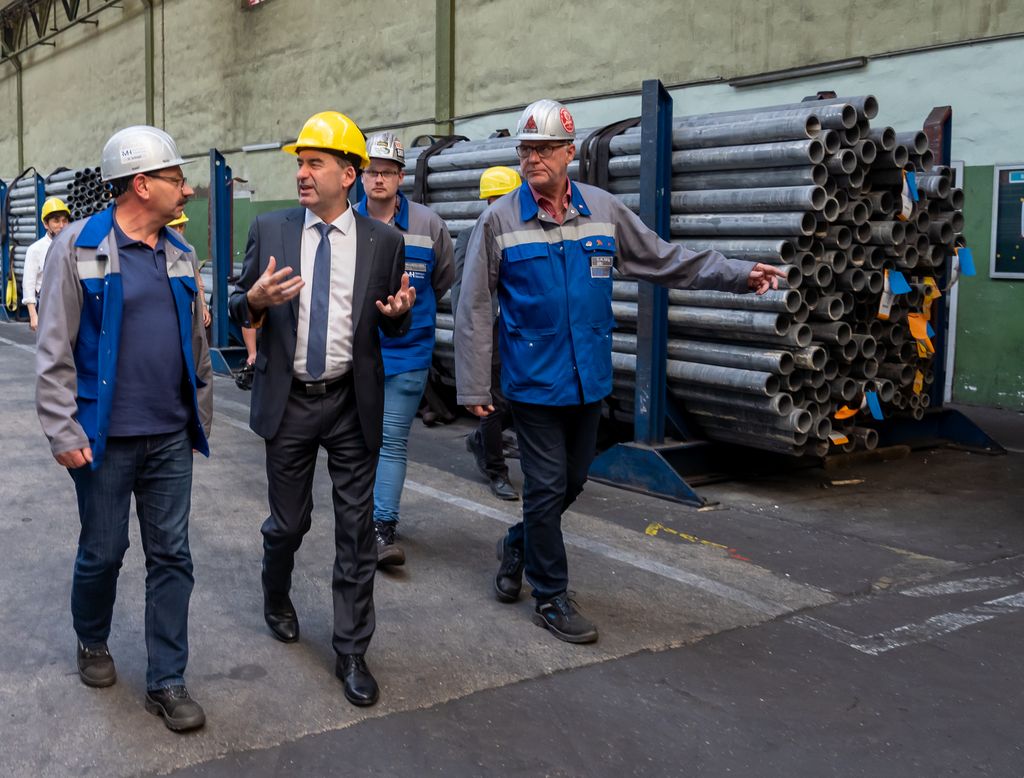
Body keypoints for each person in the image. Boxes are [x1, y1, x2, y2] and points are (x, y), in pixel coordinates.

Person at [455, 99, 784, 645]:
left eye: (543, 149)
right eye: (525, 149)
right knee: (545, 487)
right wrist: (472, 384)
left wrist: (738, 273)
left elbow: (665, 259)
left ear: (569, 152)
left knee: (572, 482)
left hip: (588, 377)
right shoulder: (500, 220)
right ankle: (550, 596)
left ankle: (517, 545)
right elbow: (473, 306)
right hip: (533, 381)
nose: (532, 158)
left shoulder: (604, 211)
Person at [228, 111, 415, 708]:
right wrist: (254, 301)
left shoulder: (384, 243)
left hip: (350, 403)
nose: (302, 174)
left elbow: (391, 319)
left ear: (348, 174)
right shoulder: (271, 229)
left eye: (315, 163)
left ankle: (352, 650)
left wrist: (400, 314)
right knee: (289, 523)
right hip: (290, 402)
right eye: (300, 163)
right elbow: (238, 305)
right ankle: (275, 593)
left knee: (357, 532)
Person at [35, 125, 212, 731]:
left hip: (169, 435)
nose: (186, 189)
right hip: (102, 437)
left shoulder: (180, 253)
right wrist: (63, 429)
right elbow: (54, 346)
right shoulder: (80, 247)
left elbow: (196, 342)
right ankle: (92, 637)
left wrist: (200, 412)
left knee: (172, 555)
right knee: (103, 551)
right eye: (175, 178)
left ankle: (167, 680)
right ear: (141, 184)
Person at [354, 132, 454, 567]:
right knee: (359, 443)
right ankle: (359, 518)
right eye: (372, 172)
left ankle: (382, 527)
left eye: (388, 172)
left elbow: (443, 278)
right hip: (356, 354)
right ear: (360, 177)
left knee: (392, 440)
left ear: (400, 177)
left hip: (408, 351)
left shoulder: (428, 225)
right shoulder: (346, 224)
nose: (379, 179)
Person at [450, 166, 522, 501]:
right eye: (495, 200)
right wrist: (470, 335)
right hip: (488, 332)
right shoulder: (471, 237)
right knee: (493, 403)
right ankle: (496, 470)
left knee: (519, 402)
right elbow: (461, 292)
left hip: (521, 333)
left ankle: (481, 441)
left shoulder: (526, 235)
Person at [22, 196, 71, 331]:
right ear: (45, 224)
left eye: (65, 220)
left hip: (70, 305)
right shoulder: (35, 249)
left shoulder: (73, 246)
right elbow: (28, 284)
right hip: (47, 306)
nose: (61, 225)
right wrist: (33, 316)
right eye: (56, 221)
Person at [167, 213, 212, 330]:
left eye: (181, 226)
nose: (178, 230)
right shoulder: (159, 252)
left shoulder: (190, 251)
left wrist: (203, 306)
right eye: (173, 227)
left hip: (186, 313)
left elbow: (198, 281)